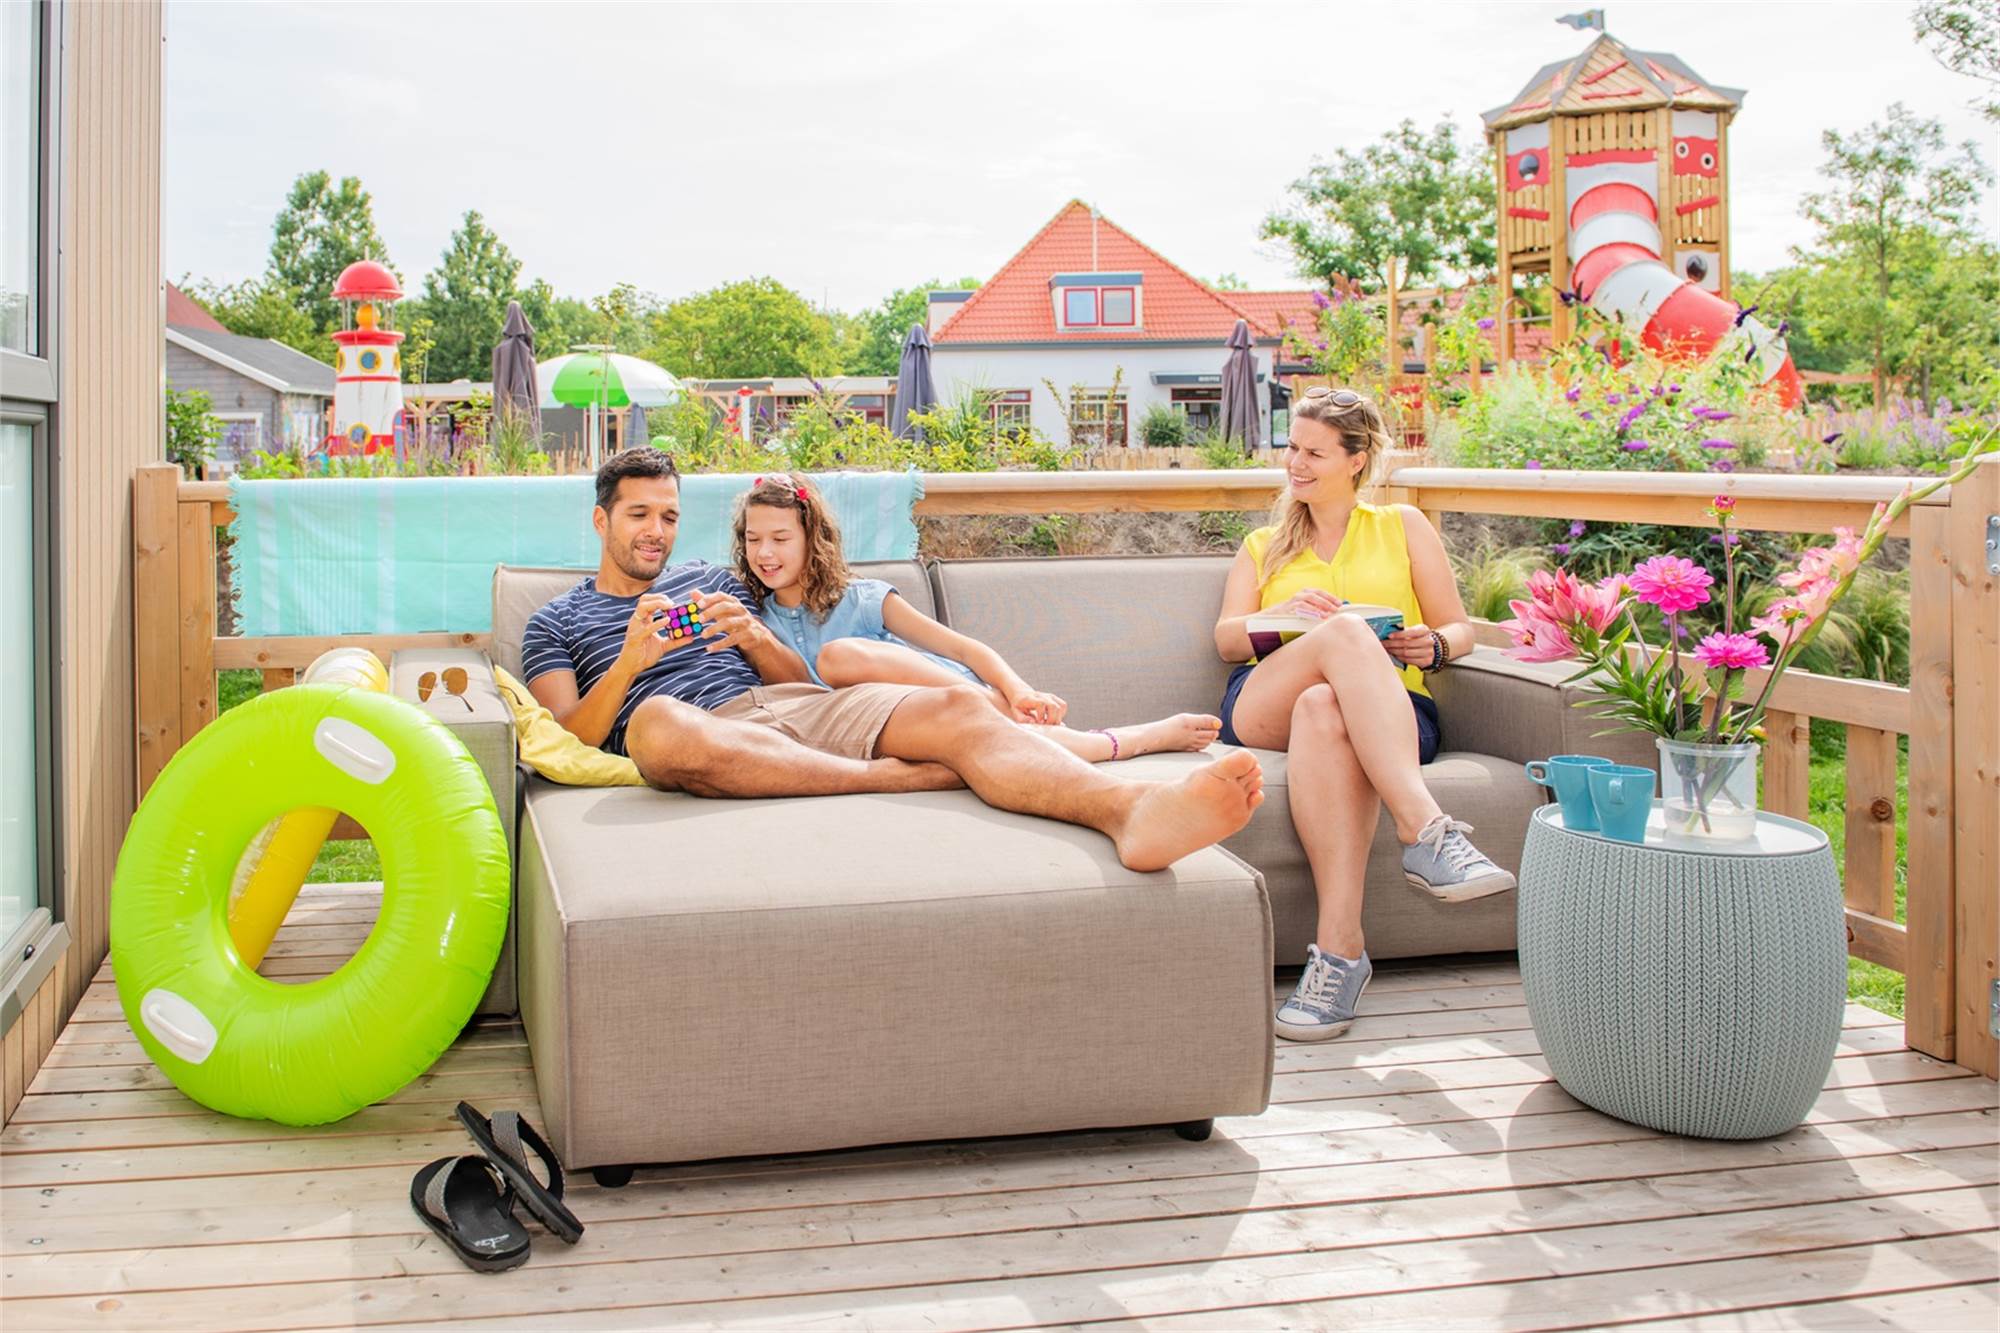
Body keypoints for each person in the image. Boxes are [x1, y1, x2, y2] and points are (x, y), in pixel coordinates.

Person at [523, 447, 1263, 872]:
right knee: (656, 723)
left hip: (796, 710)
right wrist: (630, 660)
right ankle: (894, 778)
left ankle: (1130, 810)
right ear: (602, 520)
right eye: (640, 515)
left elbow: (798, 681)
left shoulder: (714, 580)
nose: (657, 531)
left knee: (958, 708)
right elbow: (569, 735)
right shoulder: (555, 620)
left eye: (669, 516)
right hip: (699, 730)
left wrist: (755, 638)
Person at [1212, 387, 1514, 1042]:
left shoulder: (1403, 526)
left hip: (1390, 709)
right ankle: (1425, 831)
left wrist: (1433, 646)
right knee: (1344, 635)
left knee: (1326, 704)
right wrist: (1285, 615)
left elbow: (1458, 628)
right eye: (1293, 448)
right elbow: (1228, 640)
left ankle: (1339, 957)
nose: (1296, 463)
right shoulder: (1264, 544)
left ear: (1357, 460)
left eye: (1314, 453)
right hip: (1266, 702)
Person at [731, 471, 1222, 764]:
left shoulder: (861, 598)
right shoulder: (755, 622)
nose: (765, 553)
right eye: (754, 539)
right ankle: (1120, 741)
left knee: (839, 657)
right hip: (882, 731)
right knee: (1010, 753)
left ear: (813, 540)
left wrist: (1017, 691)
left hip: (948, 697)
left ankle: (1114, 736)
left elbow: (961, 648)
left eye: (780, 538)